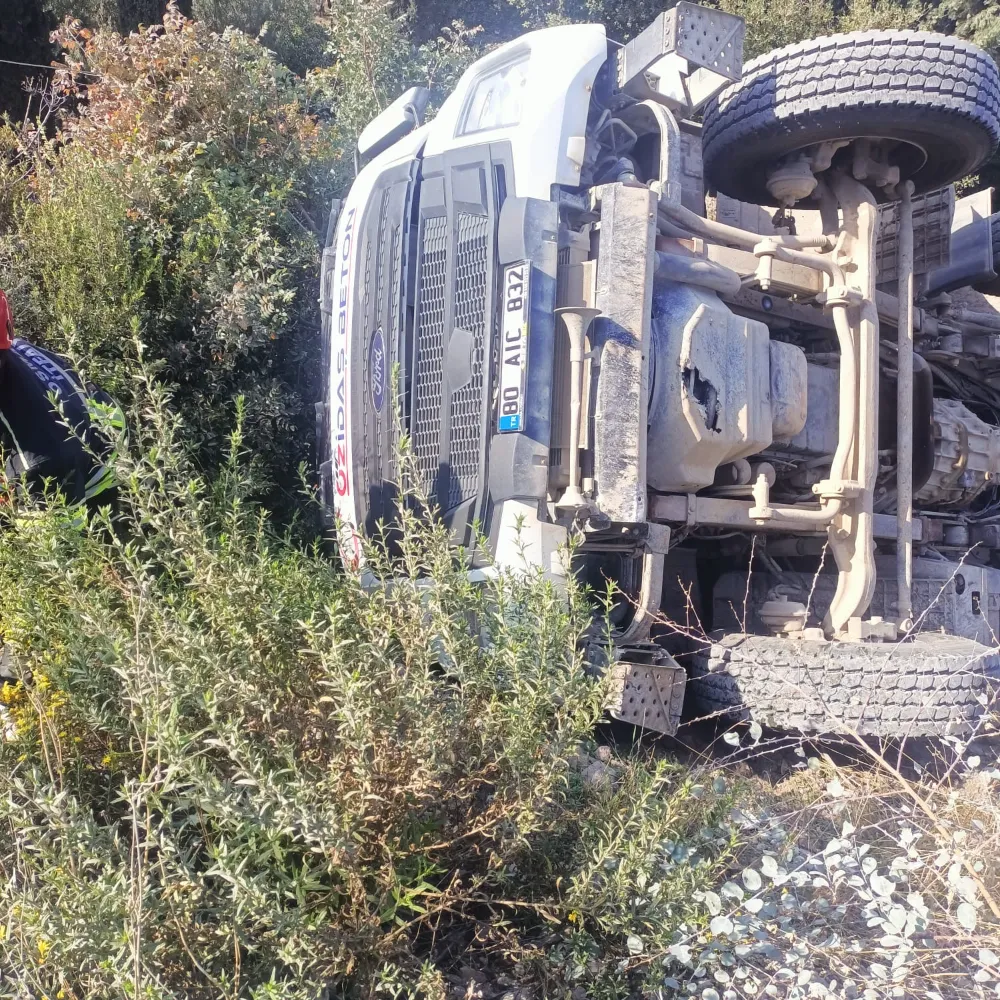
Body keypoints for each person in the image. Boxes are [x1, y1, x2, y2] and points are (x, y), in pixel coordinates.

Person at [0, 289, 118, 505]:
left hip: (90, 466)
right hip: (79, 412)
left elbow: (55, 538)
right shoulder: (7, 349)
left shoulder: (40, 464)